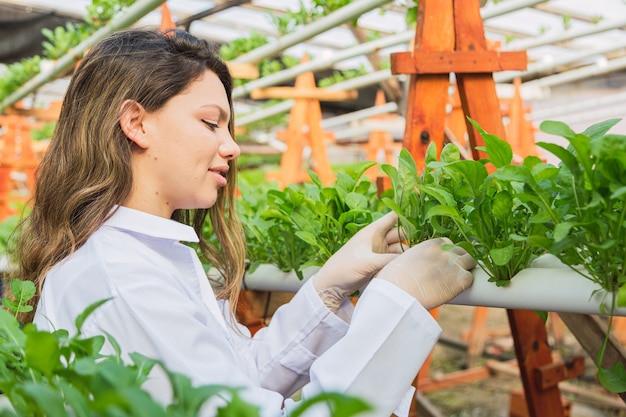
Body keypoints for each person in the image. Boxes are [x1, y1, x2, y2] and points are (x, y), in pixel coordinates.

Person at [9, 28, 476, 417]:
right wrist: (396, 305)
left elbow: (233, 381)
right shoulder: (121, 277)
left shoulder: (139, 258)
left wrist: (329, 287)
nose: (232, 146)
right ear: (137, 122)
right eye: (211, 123)